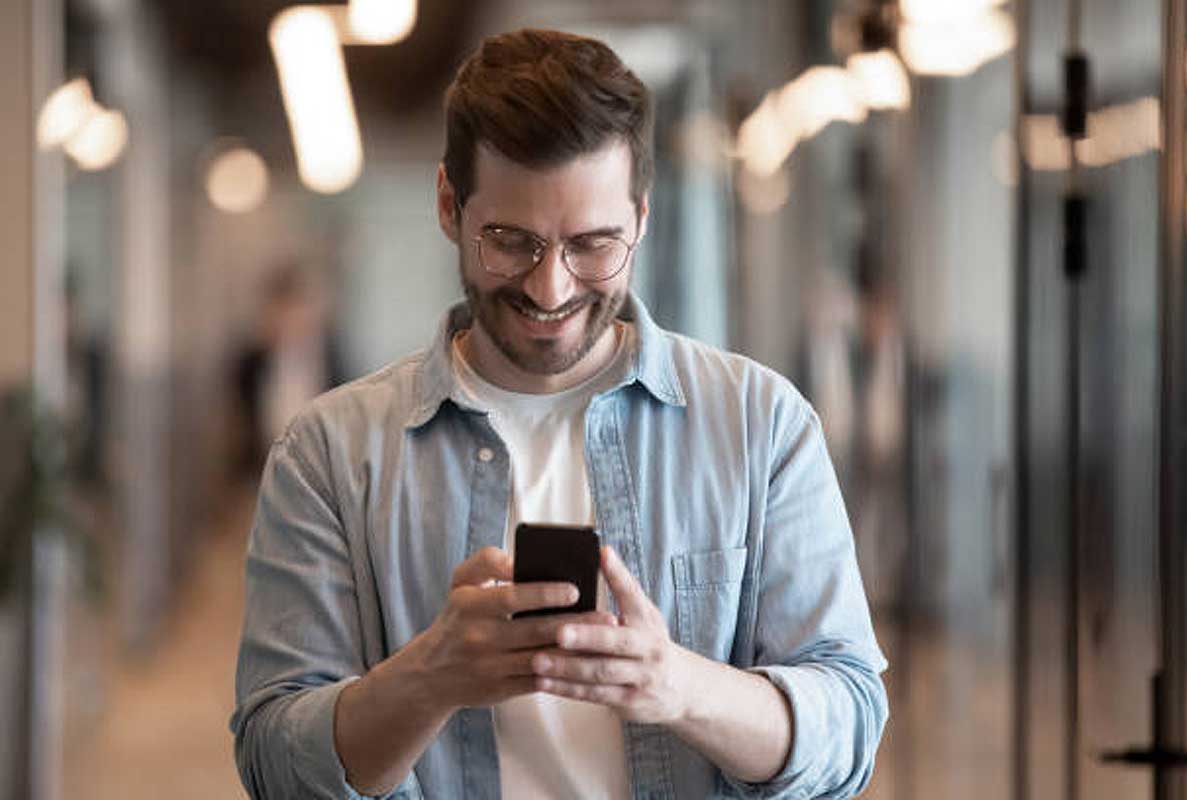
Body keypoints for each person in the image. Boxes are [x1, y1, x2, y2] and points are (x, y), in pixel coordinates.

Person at [231, 28, 887, 800]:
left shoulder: (761, 426)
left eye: (592, 244)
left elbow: (848, 729)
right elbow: (274, 763)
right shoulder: (330, 454)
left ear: (641, 218)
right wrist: (430, 678)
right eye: (512, 242)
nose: (551, 289)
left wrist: (678, 685)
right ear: (450, 204)